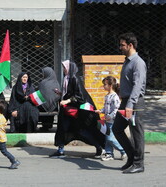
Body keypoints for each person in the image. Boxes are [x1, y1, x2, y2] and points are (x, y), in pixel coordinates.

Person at [50, 60, 105, 158]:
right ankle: (60, 149)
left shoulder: (75, 78)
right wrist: (61, 94)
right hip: (68, 111)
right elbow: (69, 92)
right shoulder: (67, 78)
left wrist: (67, 101)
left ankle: (99, 147)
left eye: (65, 67)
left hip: (80, 111)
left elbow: (80, 96)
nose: (63, 69)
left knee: (84, 130)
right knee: (63, 128)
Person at [113, 32, 146, 174]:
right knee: (117, 128)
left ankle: (139, 164)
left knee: (136, 133)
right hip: (126, 101)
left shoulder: (138, 63)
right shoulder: (128, 61)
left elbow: (137, 86)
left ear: (130, 45)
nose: (120, 47)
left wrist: (130, 105)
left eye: (122, 45)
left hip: (134, 102)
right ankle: (132, 157)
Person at [95, 76, 126, 161]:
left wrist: (110, 116)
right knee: (107, 138)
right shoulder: (107, 96)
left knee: (110, 139)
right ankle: (109, 154)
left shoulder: (114, 97)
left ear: (110, 85)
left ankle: (124, 150)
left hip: (113, 121)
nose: (103, 86)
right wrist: (100, 111)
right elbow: (105, 108)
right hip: (107, 120)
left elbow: (117, 109)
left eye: (105, 84)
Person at [38, 67, 61, 132]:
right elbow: (58, 95)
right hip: (54, 107)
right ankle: (49, 125)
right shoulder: (56, 83)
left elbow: (40, 94)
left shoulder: (42, 83)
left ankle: (44, 126)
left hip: (42, 107)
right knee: (51, 104)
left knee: (41, 104)